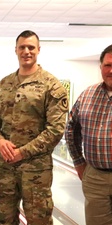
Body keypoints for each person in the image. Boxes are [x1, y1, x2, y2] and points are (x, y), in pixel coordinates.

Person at [0, 30, 69, 225]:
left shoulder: (52, 86)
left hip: (36, 171)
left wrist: (22, 152)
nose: (27, 51)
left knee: (39, 221)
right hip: (5, 168)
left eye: (31, 47)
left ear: (39, 50)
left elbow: (55, 130)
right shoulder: (3, 85)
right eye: (22, 47)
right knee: (4, 220)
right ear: (15, 50)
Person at [65, 44, 112, 225]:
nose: (111, 70)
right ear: (100, 67)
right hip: (95, 176)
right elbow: (71, 129)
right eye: (107, 65)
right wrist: (78, 162)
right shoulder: (87, 95)